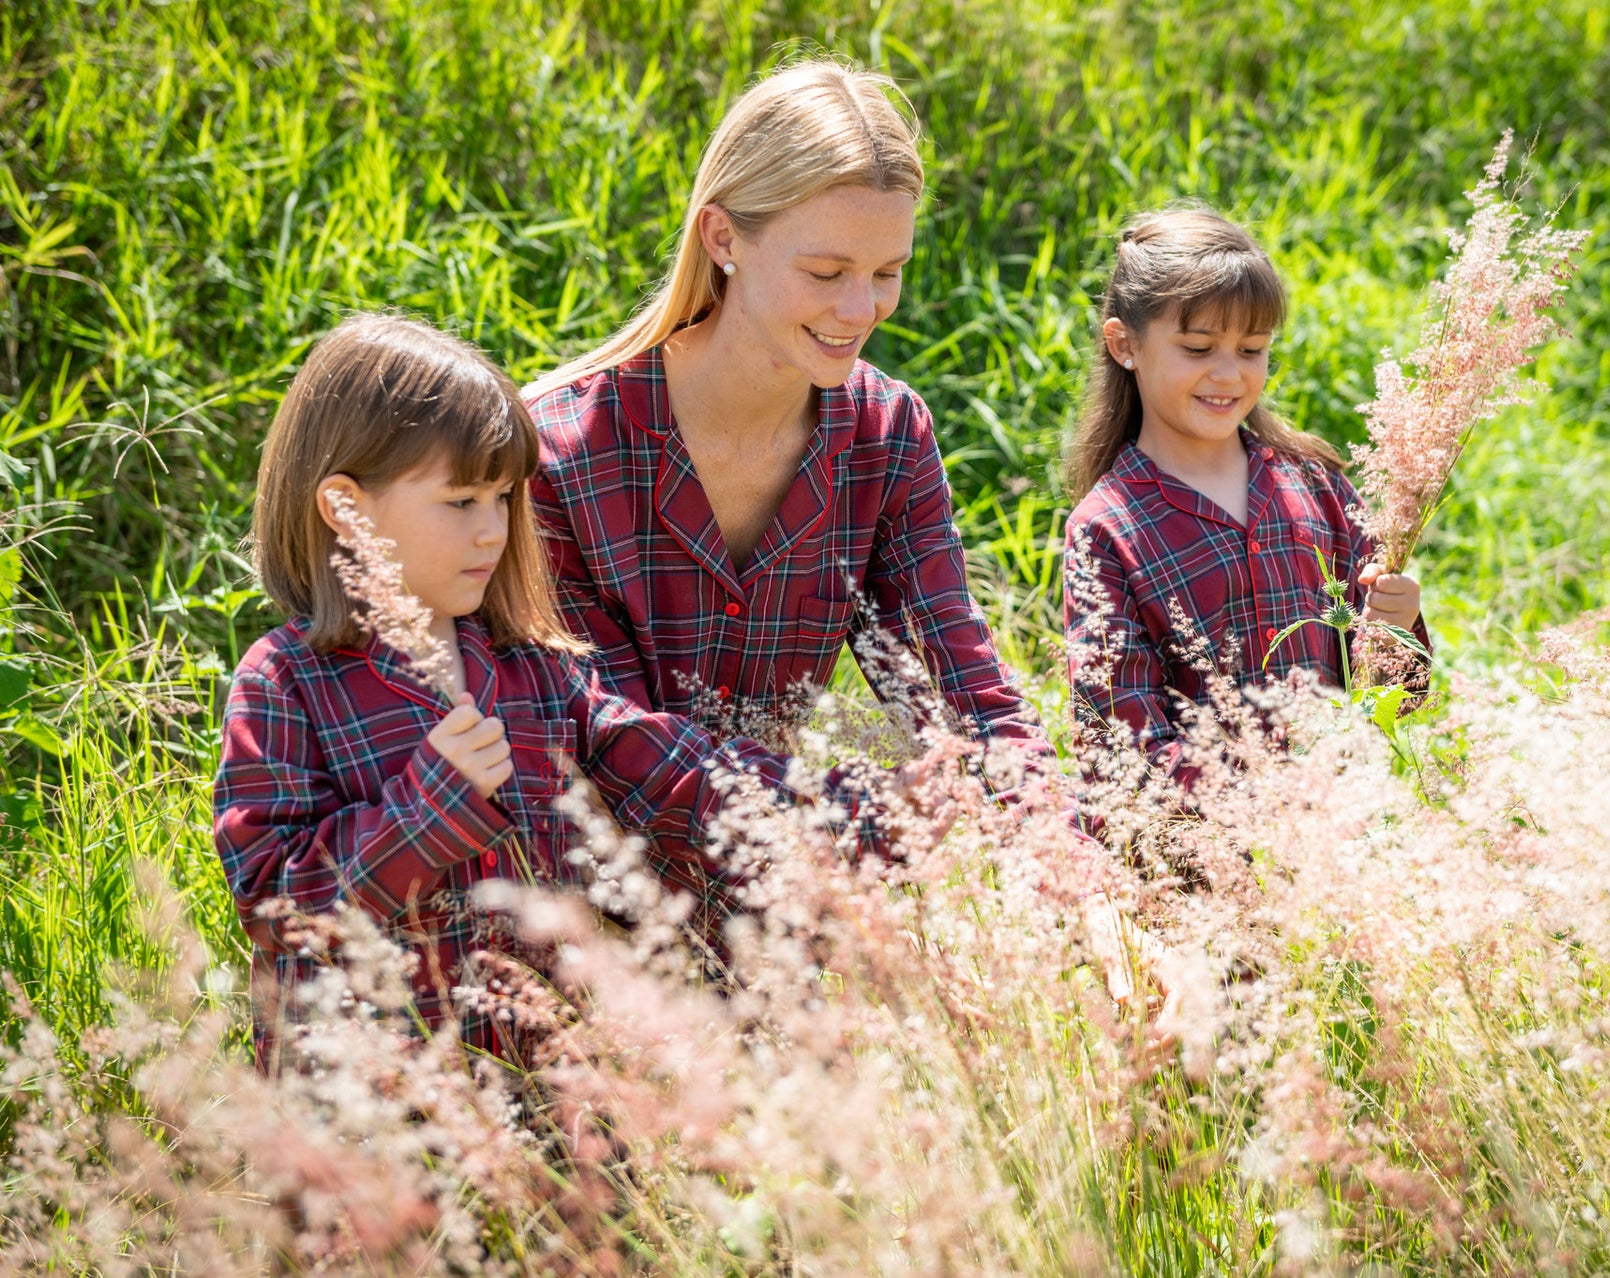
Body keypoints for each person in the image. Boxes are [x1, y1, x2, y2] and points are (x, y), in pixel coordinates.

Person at [214, 315, 859, 1067]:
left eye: (503, 500)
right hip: (373, 1116)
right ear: (346, 510)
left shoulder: (531, 669)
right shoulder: (286, 682)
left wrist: (845, 813)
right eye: (460, 503)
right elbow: (273, 906)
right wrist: (431, 808)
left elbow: (670, 772)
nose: (492, 531)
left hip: (547, 1102)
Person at [523, 61, 1054, 841]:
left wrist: (1070, 863)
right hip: (570, 909)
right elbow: (608, 739)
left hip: (785, 904)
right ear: (724, 235)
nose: (860, 308)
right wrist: (850, 808)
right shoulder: (562, 450)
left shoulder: (887, 438)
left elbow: (962, 688)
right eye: (826, 271)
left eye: (887, 272)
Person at [1063, 207, 1429, 792]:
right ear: (1124, 344)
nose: (1229, 374)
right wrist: (1258, 806)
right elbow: (1120, 739)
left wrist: (1399, 624)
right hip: (1204, 862)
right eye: (1199, 348)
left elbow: (1391, 699)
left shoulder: (1315, 484)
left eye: (1253, 349)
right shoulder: (1109, 529)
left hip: (1342, 842)